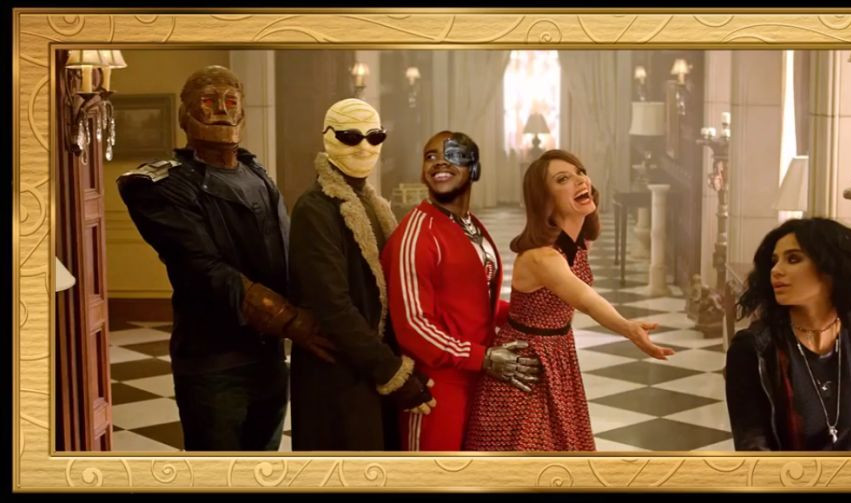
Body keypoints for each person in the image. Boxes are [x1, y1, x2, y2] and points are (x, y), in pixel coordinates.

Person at [117, 65, 336, 451]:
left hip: (269, 357)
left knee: (262, 464)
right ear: (185, 114)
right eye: (208, 101)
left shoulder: (256, 173)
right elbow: (204, 269)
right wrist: (292, 321)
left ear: (242, 112)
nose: (221, 109)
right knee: (217, 471)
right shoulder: (160, 184)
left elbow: (287, 255)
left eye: (230, 101)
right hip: (214, 361)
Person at [463, 149, 675, 451]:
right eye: (563, 179)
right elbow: (587, 300)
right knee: (532, 459)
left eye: (580, 172)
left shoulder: (577, 243)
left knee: (565, 451)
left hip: (558, 353)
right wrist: (628, 328)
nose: (580, 180)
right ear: (545, 201)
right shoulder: (542, 258)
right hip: (527, 364)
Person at [288, 98, 436, 451]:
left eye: (375, 136)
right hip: (337, 375)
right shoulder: (315, 208)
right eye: (351, 136)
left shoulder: (375, 204)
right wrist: (391, 372)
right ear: (328, 136)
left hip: (369, 369)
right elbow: (333, 306)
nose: (364, 146)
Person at [381, 131, 541, 451]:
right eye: (431, 156)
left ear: (474, 168)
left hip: (477, 379)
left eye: (453, 155)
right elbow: (413, 326)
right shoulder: (417, 234)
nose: (440, 162)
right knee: (432, 475)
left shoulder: (470, 224)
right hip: (436, 386)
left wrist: (529, 315)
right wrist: (484, 358)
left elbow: (474, 300)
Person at [725, 217, 851, 451]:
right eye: (774, 261)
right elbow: (754, 450)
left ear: (830, 268)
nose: (776, 270)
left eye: (793, 259)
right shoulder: (753, 350)